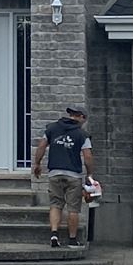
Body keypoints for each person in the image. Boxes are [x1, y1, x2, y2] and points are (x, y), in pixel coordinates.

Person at [32, 106, 93, 250]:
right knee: (73, 208)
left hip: (54, 174)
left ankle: (54, 235)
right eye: (84, 119)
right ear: (81, 117)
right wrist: (90, 174)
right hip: (73, 176)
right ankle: (72, 240)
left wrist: (37, 163)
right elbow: (88, 157)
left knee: (55, 205)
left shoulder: (52, 128)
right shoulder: (82, 134)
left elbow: (41, 146)